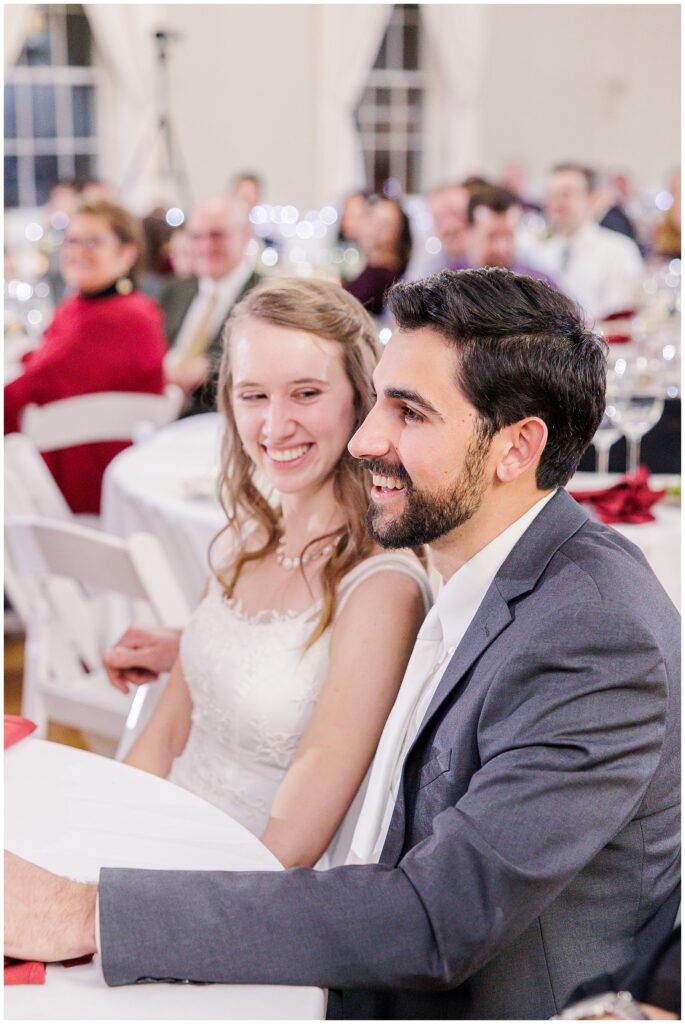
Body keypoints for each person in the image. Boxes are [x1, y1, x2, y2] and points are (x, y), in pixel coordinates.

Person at [6, 269, 680, 1022]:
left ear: (516, 447)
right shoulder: (477, 570)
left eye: (409, 413)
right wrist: (199, 649)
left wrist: (85, 915)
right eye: (376, 401)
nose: (363, 440)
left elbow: (435, 920)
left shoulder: (593, 636)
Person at [109, 276, 430, 868]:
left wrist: (118, 912)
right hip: (152, 842)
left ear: (361, 398)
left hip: (241, 894)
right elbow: (165, 736)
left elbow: (289, 850)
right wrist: (98, 846)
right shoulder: (244, 539)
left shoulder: (383, 589)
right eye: (254, 396)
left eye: (305, 394)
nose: (275, 427)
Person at [4, 198, 166, 514]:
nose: (77, 252)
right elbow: (46, 364)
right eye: (72, 241)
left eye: (92, 242)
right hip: (67, 465)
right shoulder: (80, 305)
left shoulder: (124, 317)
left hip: (92, 482)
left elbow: (40, 380)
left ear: (126, 252)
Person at [161, 197, 259, 415]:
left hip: (217, 415)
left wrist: (210, 368)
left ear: (245, 235)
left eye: (217, 235)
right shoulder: (176, 290)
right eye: (196, 237)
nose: (206, 246)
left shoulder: (264, 296)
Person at [536, 163, 644, 321]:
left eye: (565, 195)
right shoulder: (542, 253)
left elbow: (622, 320)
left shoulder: (619, 252)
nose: (555, 203)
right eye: (551, 195)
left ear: (591, 198)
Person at [448, 185, 559, 284]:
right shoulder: (447, 287)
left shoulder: (539, 285)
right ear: (468, 231)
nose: (501, 248)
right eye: (492, 237)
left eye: (508, 236)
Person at [344, 198, 412, 316]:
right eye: (372, 219)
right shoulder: (372, 267)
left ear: (399, 233)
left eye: (385, 224)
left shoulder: (384, 276)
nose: (374, 229)